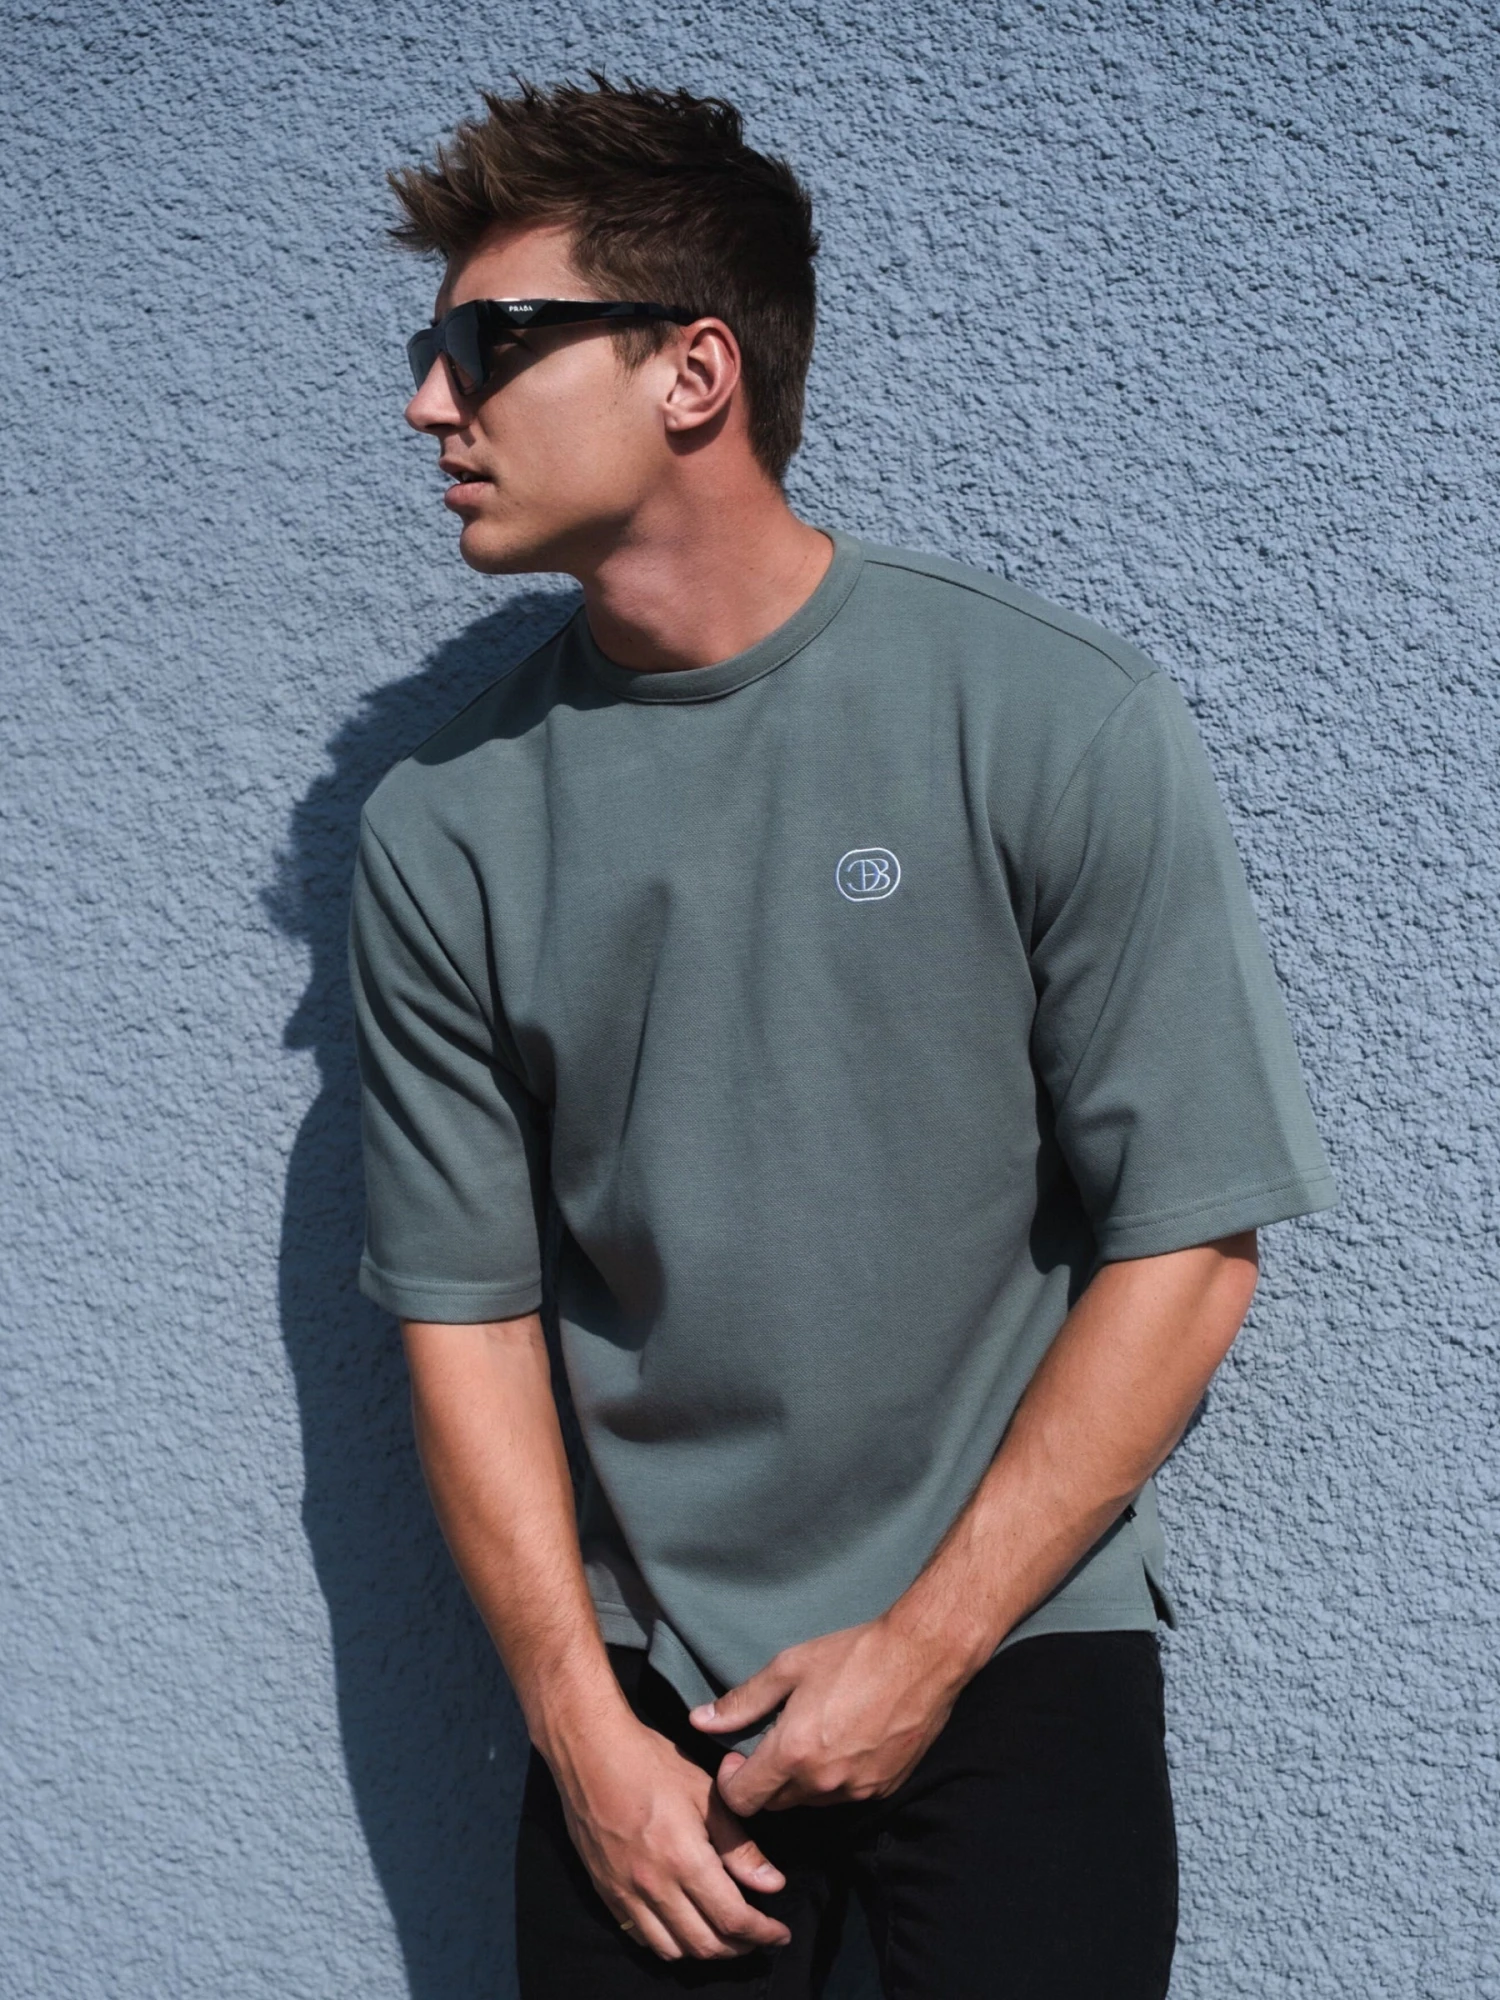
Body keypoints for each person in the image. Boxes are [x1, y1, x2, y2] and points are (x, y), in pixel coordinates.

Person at [350, 76, 1337, 1998]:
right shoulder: (447, 823)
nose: (430, 407)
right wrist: (578, 1726)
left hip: (1013, 1643)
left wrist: (928, 1646)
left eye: (491, 343)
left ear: (692, 372)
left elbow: (1191, 1244)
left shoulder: (1045, 718)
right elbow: (465, 1317)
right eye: (429, 352)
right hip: (647, 1702)